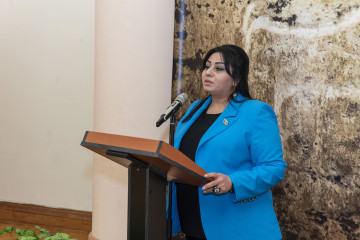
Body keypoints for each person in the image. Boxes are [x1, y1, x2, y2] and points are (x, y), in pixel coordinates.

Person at [169, 45, 287, 240]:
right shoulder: (195, 108)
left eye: (219, 68)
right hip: (192, 221)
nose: (208, 72)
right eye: (207, 66)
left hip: (234, 226)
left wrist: (233, 182)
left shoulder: (256, 112)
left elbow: (274, 168)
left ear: (237, 79)